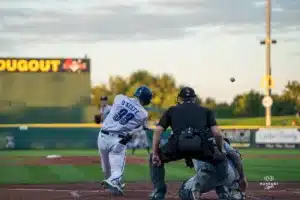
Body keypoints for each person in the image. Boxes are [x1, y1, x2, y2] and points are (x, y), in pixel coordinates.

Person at [149, 87, 226, 200]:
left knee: (153, 158)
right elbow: (217, 134)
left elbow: (158, 131)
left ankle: (159, 192)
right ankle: (222, 192)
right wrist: (220, 150)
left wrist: (156, 153)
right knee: (221, 160)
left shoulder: (172, 110)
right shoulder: (206, 110)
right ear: (194, 98)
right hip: (201, 147)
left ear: (179, 98)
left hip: (177, 147)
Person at [98, 86, 153, 196]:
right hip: (117, 140)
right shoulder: (143, 114)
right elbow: (136, 127)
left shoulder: (119, 98)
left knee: (106, 165)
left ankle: (114, 183)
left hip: (102, 136)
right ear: (146, 100)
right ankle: (113, 180)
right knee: (117, 169)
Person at [178, 138, 247, 200]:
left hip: (205, 179)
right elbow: (235, 156)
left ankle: (195, 191)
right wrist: (242, 177)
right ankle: (230, 190)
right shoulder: (220, 141)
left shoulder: (193, 142)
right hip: (227, 176)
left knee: (183, 191)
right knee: (235, 155)